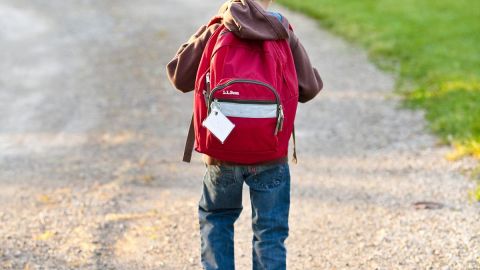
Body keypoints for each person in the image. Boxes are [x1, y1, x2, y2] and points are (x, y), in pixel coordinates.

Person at [166, 0, 323, 269]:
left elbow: (179, 76)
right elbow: (309, 89)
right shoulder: (282, 30)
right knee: (270, 232)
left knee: (217, 218)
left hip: (222, 150)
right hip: (270, 152)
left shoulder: (218, 28)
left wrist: (209, 26)